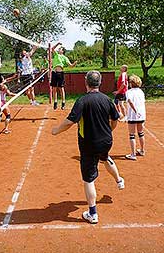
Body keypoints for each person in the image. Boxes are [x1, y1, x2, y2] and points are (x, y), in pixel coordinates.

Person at [52, 70, 124, 224]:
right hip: (106, 141)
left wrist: (56, 130)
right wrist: (109, 130)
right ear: (100, 82)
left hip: (89, 144)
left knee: (88, 179)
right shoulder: (107, 99)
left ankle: (93, 213)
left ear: (86, 82)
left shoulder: (82, 101)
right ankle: (119, 180)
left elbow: (70, 121)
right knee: (105, 158)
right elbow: (115, 119)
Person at [124, 75, 146, 161]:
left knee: (132, 135)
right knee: (141, 133)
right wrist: (139, 112)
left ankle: (133, 154)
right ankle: (142, 150)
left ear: (131, 83)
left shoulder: (129, 92)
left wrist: (135, 111)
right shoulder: (141, 92)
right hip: (141, 115)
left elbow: (130, 102)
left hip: (133, 116)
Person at [50, 42, 77, 110]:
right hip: (54, 73)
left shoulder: (65, 58)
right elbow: (52, 48)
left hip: (60, 73)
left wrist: (74, 64)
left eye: (60, 49)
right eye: (59, 49)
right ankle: (55, 102)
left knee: (61, 89)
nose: (59, 50)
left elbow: (70, 66)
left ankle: (63, 103)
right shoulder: (56, 55)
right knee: (54, 88)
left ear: (63, 51)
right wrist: (58, 44)